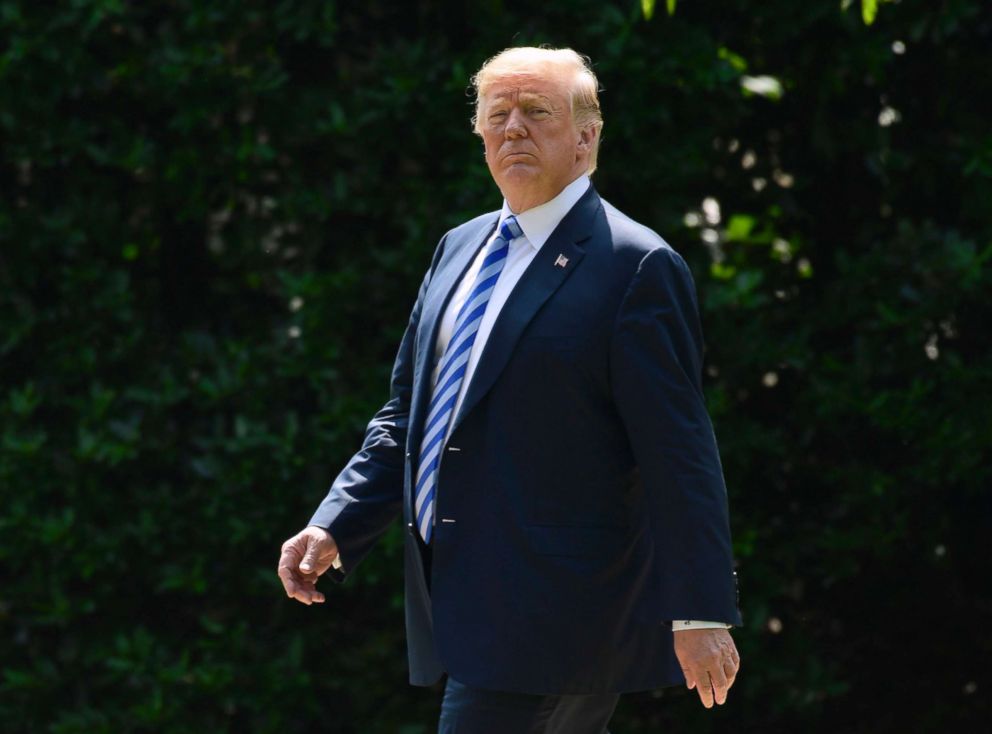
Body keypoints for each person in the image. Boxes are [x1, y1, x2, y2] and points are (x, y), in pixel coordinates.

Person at [278, 46, 742, 734]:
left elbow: (680, 453)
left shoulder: (635, 265)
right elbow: (410, 416)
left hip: (561, 616)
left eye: (536, 112)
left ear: (587, 137)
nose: (513, 128)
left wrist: (702, 610)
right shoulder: (457, 249)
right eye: (498, 114)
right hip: (465, 604)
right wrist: (335, 522)